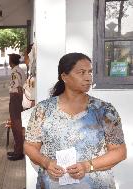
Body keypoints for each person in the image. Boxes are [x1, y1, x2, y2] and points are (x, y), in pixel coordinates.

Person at [24, 53, 127, 188]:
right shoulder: (43, 110)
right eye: (81, 72)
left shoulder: (104, 111)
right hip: (53, 184)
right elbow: (30, 146)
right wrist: (46, 162)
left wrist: (87, 166)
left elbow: (119, 151)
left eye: (90, 72)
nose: (88, 77)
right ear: (64, 76)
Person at [7, 53, 26, 161]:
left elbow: (18, 88)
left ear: (11, 61)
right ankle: (17, 149)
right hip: (18, 98)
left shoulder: (15, 71)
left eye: (9, 59)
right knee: (16, 124)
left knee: (16, 125)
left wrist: (19, 102)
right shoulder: (20, 70)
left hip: (16, 98)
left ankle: (19, 152)